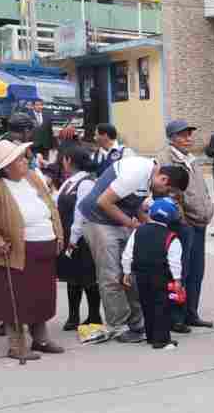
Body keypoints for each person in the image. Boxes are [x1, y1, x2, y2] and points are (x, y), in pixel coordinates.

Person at [0, 140, 65, 361]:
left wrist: (58, 234)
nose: (26, 160)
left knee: (42, 297)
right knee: (16, 300)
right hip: (17, 254)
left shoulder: (33, 179)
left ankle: (41, 339)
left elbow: (50, 207)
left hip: (43, 250)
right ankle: (16, 345)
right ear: (7, 165)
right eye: (20, 158)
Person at [77, 156, 189, 344]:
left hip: (119, 220)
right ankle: (118, 326)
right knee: (111, 276)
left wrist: (153, 226)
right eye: (168, 190)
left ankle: (137, 323)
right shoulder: (136, 172)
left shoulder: (150, 179)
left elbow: (134, 205)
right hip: (98, 221)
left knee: (132, 272)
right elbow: (103, 202)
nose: (166, 194)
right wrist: (132, 225)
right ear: (163, 179)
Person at [156, 119, 214, 329]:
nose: (188, 139)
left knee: (197, 271)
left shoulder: (191, 158)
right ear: (172, 137)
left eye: (189, 134)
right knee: (181, 271)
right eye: (183, 135)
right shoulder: (165, 159)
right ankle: (176, 317)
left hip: (199, 221)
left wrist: (208, 207)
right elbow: (169, 191)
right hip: (184, 224)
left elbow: (201, 189)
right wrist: (182, 219)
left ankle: (192, 313)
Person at [121, 197, 183, 350]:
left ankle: (150, 336)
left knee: (146, 305)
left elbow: (128, 254)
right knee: (162, 306)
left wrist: (126, 272)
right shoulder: (171, 237)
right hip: (161, 276)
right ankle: (161, 340)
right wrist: (177, 280)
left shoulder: (138, 231)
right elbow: (175, 261)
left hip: (141, 275)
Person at [55, 142, 103, 332]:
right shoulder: (69, 182)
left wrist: (72, 240)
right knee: (72, 278)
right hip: (68, 235)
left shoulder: (86, 183)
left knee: (88, 278)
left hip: (82, 238)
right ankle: (73, 316)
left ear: (68, 160)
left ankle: (94, 315)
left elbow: (80, 215)